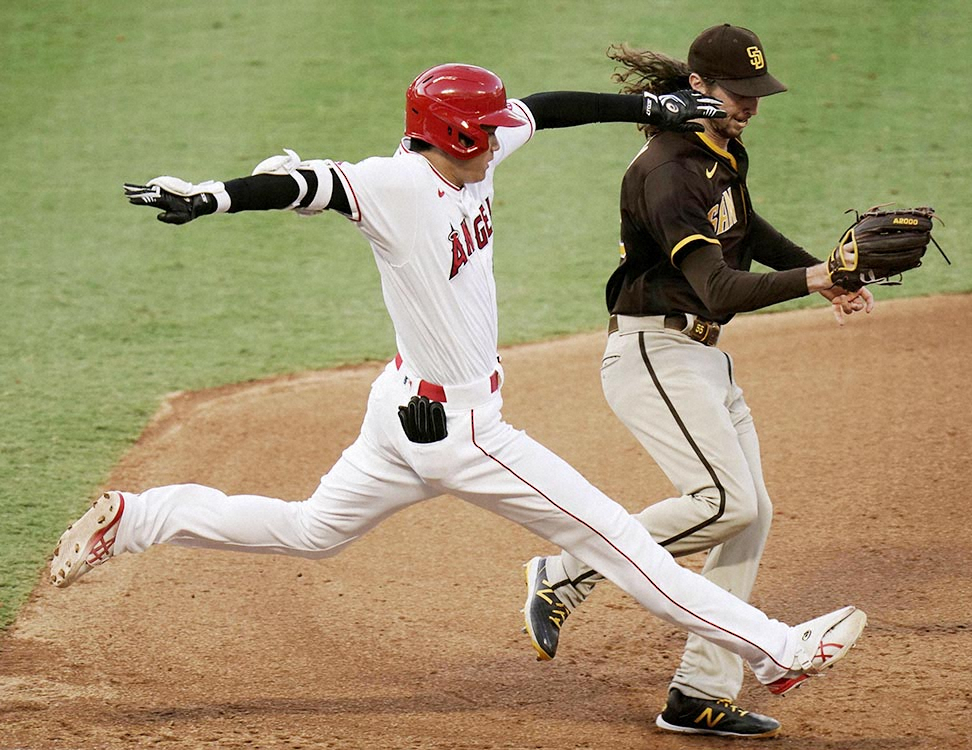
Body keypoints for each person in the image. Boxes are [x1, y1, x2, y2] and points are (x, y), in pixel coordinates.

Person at [51, 63, 866, 727]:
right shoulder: (394, 185)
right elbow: (308, 186)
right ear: (452, 137)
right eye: (483, 136)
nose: (497, 143)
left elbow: (543, 110)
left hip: (402, 409)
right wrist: (210, 195)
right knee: (620, 543)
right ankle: (775, 650)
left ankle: (138, 517)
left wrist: (640, 105)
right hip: (462, 431)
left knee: (310, 530)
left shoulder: (473, 142)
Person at [521, 26, 875, 739]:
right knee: (721, 502)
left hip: (703, 361)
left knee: (753, 513)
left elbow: (745, 228)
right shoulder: (667, 171)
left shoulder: (720, 148)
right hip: (655, 354)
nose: (748, 107)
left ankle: (699, 690)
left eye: (756, 95)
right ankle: (566, 573)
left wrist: (825, 278)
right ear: (698, 87)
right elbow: (713, 286)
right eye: (736, 95)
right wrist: (810, 277)